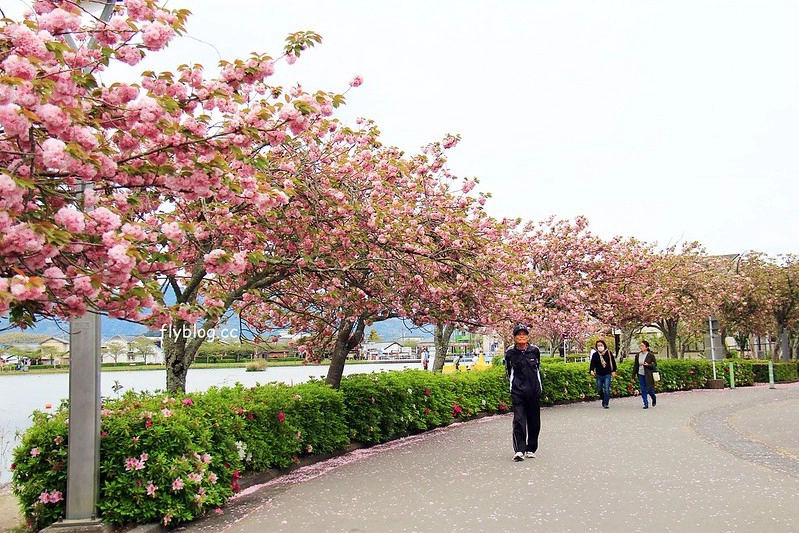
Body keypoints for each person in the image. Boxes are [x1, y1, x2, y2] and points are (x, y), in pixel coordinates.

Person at [504, 324, 543, 462]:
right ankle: (519, 450)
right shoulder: (510, 353)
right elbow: (509, 372)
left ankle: (531, 448)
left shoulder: (534, 351)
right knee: (519, 420)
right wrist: (513, 387)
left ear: (528, 336)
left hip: (533, 391)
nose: (522, 337)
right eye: (519, 334)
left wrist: (539, 388)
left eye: (524, 334)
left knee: (534, 421)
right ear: (514, 337)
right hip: (518, 392)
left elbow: (538, 370)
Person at [589, 339, 617, 409]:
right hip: (599, 374)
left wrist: (613, 371)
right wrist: (591, 370)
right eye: (598, 346)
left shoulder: (609, 353)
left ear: (604, 345)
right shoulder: (595, 355)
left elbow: (613, 363)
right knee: (599, 389)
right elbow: (592, 364)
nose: (600, 347)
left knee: (607, 389)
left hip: (607, 374)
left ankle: (606, 403)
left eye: (601, 345)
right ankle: (603, 399)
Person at [633, 340, 657, 409]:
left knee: (649, 389)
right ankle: (645, 403)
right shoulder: (638, 355)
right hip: (640, 374)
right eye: (640, 345)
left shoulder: (651, 355)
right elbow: (635, 366)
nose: (641, 347)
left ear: (646, 347)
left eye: (642, 345)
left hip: (648, 374)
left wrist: (648, 365)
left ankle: (653, 397)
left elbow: (655, 364)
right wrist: (633, 376)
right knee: (643, 389)